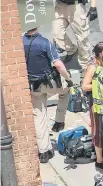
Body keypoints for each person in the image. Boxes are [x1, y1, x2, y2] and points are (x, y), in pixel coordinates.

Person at [23, 24, 73, 163]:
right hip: (49, 84)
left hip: (33, 86)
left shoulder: (21, 42)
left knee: (39, 116)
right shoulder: (44, 43)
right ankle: (59, 121)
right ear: (37, 26)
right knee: (66, 91)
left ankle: (44, 151)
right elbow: (58, 64)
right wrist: (68, 79)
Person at [82, 41, 103, 170]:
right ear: (100, 54)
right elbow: (84, 86)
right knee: (99, 131)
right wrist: (100, 85)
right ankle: (99, 160)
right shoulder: (93, 66)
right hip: (96, 103)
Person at [51, 0, 93, 71]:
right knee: (56, 32)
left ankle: (86, 66)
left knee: (82, 38)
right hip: (60, 5)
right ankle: (71, 50)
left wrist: (93, 6)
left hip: (76, 6)